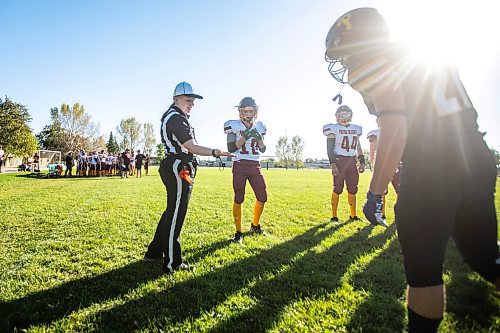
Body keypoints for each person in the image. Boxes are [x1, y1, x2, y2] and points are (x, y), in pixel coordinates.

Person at [325, 8, 499, 332]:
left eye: (344, 52)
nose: (345, 63)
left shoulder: (372, 62)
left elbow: (395, 128)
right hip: (475, 154)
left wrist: (376, 191)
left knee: (423, 272)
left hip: (433, 165)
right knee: (484, 258)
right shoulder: (426, 53)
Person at [144, 81, 232, 273]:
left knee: (171, 211)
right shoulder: (176, 118)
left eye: (193, 100)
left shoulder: (176, 116)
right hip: (178, 166)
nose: (192, 103)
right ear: (176, 99)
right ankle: (172, 262)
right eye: (188, 99)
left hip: (178, 164)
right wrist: (216, 152)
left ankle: (154, 252)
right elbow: (191, 147)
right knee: (176, 213)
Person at [224, 97, 268, 244]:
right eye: (246, 110)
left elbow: (262, 148)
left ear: (256, 111)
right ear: (240, 111)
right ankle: (238, 232)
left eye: (251, 110)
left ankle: (255, 225)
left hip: (255, 164)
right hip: (240, 164)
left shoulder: (260, 126)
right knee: (239, 197)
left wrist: (259, 138)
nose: (249, 113)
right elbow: (231, 148)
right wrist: (245, 137)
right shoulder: (233, 125)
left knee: (262, 197)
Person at [323, 105, 366, 224]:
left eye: (346, 115)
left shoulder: (356, 128)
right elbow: (329, 148)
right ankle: (334, 217)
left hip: (352, 161)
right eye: (341, 115)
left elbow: (358, 146)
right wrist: (333, 164)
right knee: (337, 188)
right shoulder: (332, 128)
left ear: (351, 116)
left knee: (353, 188)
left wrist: (362, 161)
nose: (343, 117)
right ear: (336, 117)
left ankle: (353, 215)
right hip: (339, 160)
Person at [366, 124, 401, 221]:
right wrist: (375, 167)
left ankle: (399, 214)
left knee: (400, 190)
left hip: (397, 165)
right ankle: (381, 214)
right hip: (383, 166)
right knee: (381, 191)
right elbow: (372, 152)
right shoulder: (376, 133)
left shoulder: (398, 131)